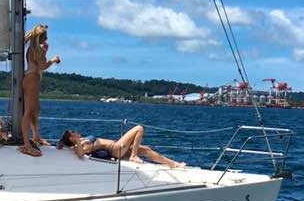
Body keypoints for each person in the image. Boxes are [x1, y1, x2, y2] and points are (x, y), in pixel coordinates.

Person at [55, 125, 185, 168]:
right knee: (139, 128)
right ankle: (133, 156)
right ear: (72, 138)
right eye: (72, 133)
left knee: (146, 150)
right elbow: (80, 155)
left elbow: (60, 144)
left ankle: (173, 164)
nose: (74, 131)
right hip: (116, 149)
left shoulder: (81, 140)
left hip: (117, 148)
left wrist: (62, 143)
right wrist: (77, 141)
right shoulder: (81, 145)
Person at [19, 24, 60, 157]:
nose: (47, 39)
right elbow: (43, 65)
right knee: (29, 111)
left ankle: (36, 137)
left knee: (35, 111)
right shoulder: (35, 50)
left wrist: (45, 52)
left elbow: (39, 63)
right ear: (39, 37)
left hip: (33, 80)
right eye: (45, 36)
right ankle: (26, 145)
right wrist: (53, 60)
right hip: (32, 80)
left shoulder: (34, 49)